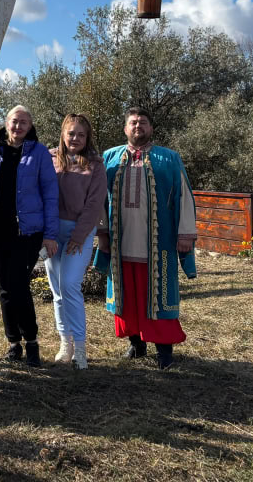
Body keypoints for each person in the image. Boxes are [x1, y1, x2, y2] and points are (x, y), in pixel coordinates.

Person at [95, 107, 197, 370]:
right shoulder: (109, 157)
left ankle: (164, 350)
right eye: (132, 122)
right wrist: (102, 232)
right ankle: (136, 343)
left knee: (159, 296)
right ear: (125, 129)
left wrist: (185, 233)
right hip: (121, 243)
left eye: (143, 122)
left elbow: (184, 196)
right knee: (126, 295)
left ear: (151, 128)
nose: (137, 125)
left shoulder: (169, 158)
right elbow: (98, 198)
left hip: (158, 244)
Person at [0, 105, 59, 367]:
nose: (18, 127)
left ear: (30, 126)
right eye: (14, 122)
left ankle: (32, 342)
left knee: (18, 285)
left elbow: (51, 195)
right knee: (5, 288)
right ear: (6, 123)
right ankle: (13, 343)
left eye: (24, 123)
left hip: (27, 232)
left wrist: (50, 235)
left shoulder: (39, 153)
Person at [45, 113, 106, 370]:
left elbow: (94, 204)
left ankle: (80, 348)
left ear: (87, 137)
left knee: (70, 285)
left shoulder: (95, 164)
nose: (75, 139)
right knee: (57, 290)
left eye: (81, 134)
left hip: (79, 233)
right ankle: (65, 343)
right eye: (71, 133)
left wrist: (79, 236)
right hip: (51, 233)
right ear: (63, 133)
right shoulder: (49, 158)